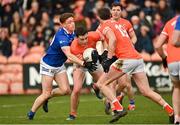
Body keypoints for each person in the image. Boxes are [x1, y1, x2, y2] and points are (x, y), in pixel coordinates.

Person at [96, 8, 174, 123]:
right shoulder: (118, 24)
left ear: (98, 17)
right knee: (146, 91)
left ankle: (118, 108)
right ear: (110, 14)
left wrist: (108, 58)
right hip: (137, 58)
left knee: (101, 83)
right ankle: (170, 110)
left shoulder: (104, 26)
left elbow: (112, 40)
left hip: (126, 59)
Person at [27, 13, 97, 120]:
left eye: (73, 21)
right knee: (45, 93)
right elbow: (69, 54)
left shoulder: (74, 33)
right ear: (62, 24)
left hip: (59, 65)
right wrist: (83, 63)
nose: (72, 24)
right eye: (69, 22)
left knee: (66, 90)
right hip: (48, 65)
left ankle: (47, 97)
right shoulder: (61, 36)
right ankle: (31, 113)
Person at [66, 26, 105, 120]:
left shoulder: (94, 35)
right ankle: (73, 114)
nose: (85, 41)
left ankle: (97, 88)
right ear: (76, 38)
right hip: (80, 64)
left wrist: (104, 52)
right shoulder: (74, 47)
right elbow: (78, 61)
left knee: (105, 83)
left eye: (86, 38)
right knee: (76, 89)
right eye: (82, 39)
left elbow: (103, 39)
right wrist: (84, 64)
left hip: (93, 61)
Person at [103, 2, 136, 114]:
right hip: (113, 56)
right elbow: (102, 38)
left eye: (118, 10)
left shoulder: (126, 23)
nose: (115, 12)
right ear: (110, 11)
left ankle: (122, 98)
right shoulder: (107, 23)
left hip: (125, 56)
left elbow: (134, 37)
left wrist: (130, 45)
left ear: (121, 11)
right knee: (111, 82)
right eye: (114, 10)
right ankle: (113, 105)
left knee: (125, 84)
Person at [155, 1, 180, 123]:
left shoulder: (169, 23)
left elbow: (158, 45)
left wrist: (164, 58)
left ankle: (176, 118)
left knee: (177, 88)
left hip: (172, 62)